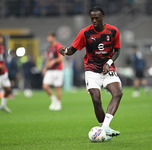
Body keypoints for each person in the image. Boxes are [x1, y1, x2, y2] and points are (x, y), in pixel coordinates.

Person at [59, 6, 123, 140]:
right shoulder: (85, 33)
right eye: (92, 18)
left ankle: (105, 127)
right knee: (95, 98)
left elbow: (117, 51)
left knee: (118, 93)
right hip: (92, 69)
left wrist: (109, 63)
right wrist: (64, 51)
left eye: (96, 18)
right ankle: (104, 128)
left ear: (102, 17)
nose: (94, 20)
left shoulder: (113, 31)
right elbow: (72, 50)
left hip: (108, 68)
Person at [42, 32, 64, 111]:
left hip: (58, 70)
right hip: (50, 70)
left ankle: (58, 103)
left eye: (49, 37)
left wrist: (54, 61)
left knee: (57, 87)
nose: (48, 39)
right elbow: (48, 59)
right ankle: (53, 100)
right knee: (45, 86)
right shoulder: (49, 48)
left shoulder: (58, 46)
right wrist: (45, 68)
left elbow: (61, 58)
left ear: (53, 38)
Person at [0, 34, 12, 113]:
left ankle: (3, 105)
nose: (1, 39)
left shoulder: (2, 48)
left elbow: (2, 60)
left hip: (3, 73)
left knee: (8, 89)